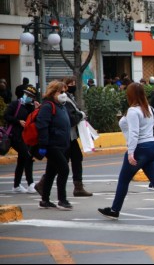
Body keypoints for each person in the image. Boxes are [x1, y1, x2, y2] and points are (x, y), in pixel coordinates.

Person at [98, 83, 154, 221]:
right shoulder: (148, 108)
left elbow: (134, 133)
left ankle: (115, 210)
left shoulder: (133, 111)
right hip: (153, 147)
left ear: (130, 95)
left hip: (140, 148)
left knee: (123, 180)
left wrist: (130, 153)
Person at [37, 81, 73, 210]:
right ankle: (62, 200)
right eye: (61, 92)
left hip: (61, 145)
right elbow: (42, 125)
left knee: (51, 172)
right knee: (64, 169)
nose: (64, 94)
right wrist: (43, 145)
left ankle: (45, 200)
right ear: (53, 93)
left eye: (65, 92)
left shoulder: (61, 106)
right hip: (52, 145)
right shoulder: (47, 106)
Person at [4, 85, 39, 193]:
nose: (28, 97)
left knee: (22, 160)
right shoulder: (15, 104)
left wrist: (37, 109)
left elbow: (34, 120)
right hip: (14, 136)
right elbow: (6, 116)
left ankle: (16, 185)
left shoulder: (30, 107)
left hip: (24, 137)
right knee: (28, 156)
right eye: (27, 94)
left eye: (31, 96)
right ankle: (30, 183)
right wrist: (18, 121)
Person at [63, 77, 93, 197]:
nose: (73, 86)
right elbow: (71, 118)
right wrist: (81, 115)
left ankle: (78, 187)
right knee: (60, 163)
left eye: (74, 83)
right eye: (70, 84)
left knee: (75, 158)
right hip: (65, 136)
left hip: (71, 136)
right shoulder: (64, 99)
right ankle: (44, 184)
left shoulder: (70, 98)